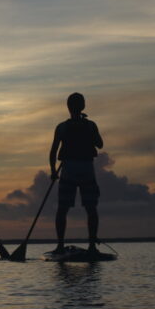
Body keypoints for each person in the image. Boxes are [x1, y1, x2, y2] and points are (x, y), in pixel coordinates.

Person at [49, 93, 104, 254]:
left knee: (62, 208)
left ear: (68, 107)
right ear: (83, 106)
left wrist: (53, 171)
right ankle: (92, 246)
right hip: (86, 169)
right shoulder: (91, 125)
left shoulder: (62, 127)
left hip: (69, 170)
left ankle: (60, 245)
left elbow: (53, 152)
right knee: (91, 208)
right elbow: (100, 144)